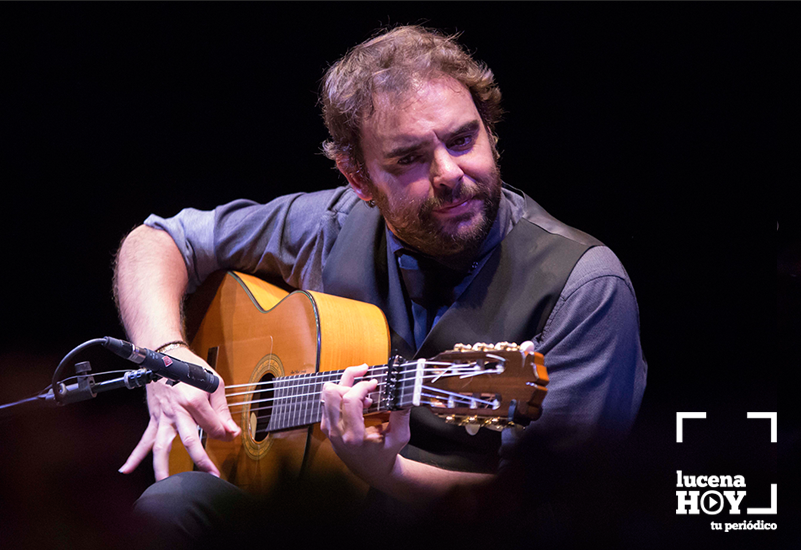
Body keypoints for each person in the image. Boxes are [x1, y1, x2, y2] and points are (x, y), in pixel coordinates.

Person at [113, 25, 646, 546]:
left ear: (492, 133)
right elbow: (157, 240)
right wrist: (165, 360)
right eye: (409, 158)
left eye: (463, 139)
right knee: (172, 505)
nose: (449, 173)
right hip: (312, 514)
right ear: (357, 179)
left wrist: (387, 472)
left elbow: (546, 509)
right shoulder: (331, 224)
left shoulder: (583, 286)